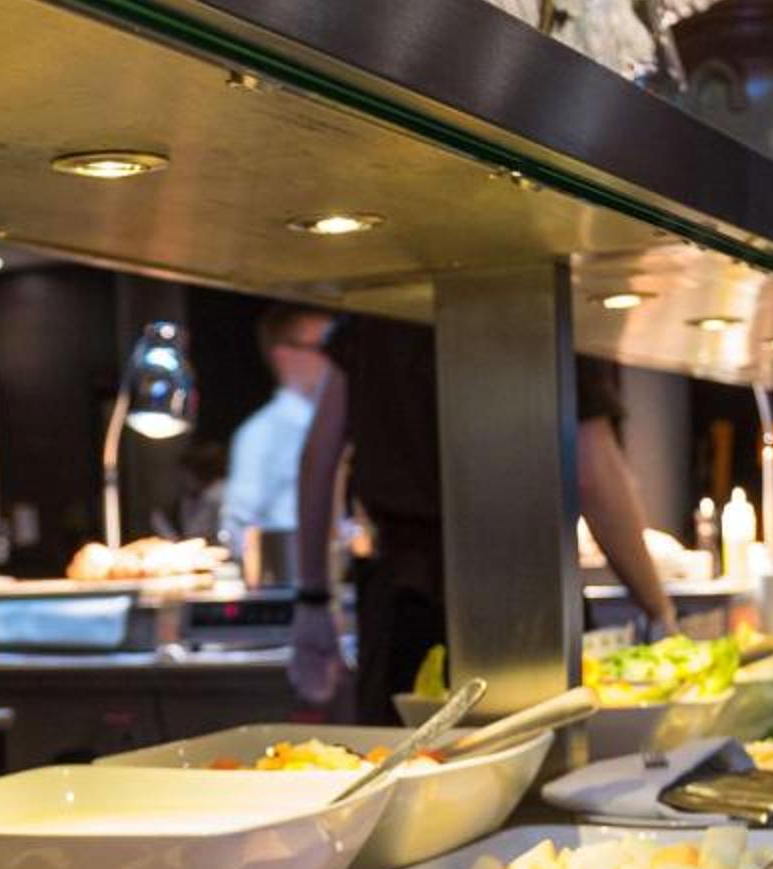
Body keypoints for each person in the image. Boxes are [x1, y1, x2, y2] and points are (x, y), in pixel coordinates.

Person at [289, 313, 674, 724]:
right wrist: (658, 608)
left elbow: (318, 457)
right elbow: (593, 475)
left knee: (403, 755)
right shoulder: (550, 306)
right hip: (527, 599)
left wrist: (314, 598)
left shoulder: (374, 310)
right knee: (537, 755)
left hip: (401, 598)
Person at [218, 304, 334, 561]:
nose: (335, 360)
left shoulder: (335, 423)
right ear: (284, 355)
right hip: (290, 575)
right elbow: (236, 527)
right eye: (324, 347)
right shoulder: (262, 433)